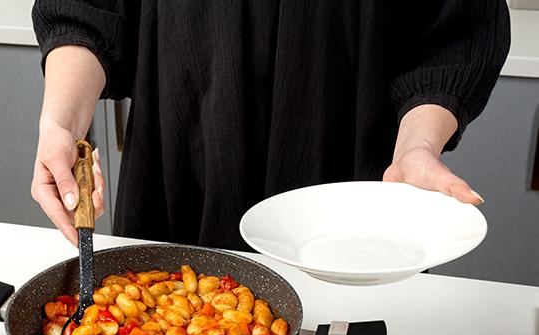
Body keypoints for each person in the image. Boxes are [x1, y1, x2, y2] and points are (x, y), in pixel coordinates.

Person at [31, 1, 510, 250]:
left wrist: (415, 148)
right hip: (180, 180)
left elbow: (455, 32)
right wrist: (60, 124)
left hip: (354, 198)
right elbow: (86, 8)